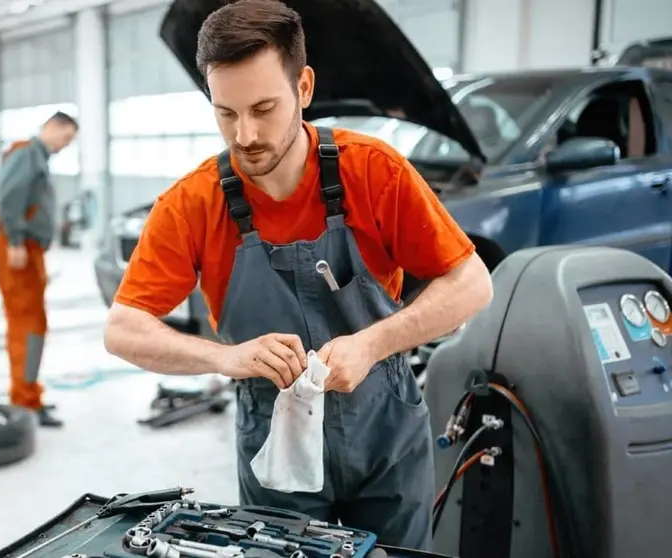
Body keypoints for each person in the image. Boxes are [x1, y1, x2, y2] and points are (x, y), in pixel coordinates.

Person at [103, 0, 492, 549]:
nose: (244, 135)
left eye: (263, 108)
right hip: (274, 446)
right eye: (226, 113)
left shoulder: (373, 172)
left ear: (304, 87)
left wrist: (373, 343)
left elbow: (472, 282)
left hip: (384, 432)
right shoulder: (191, 204)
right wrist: (225, 358)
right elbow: (123, 329)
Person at [0, 111, 78, 428]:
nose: (65, 145)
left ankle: (28, 393)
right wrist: (16, 240)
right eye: (66, 137)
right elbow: (8, 197)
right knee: (27, 325)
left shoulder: (36, 156)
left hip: (29, 249)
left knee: (33, 322)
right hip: (20, 249)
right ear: (53, 127)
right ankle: (25, 400)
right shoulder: (27, 154)